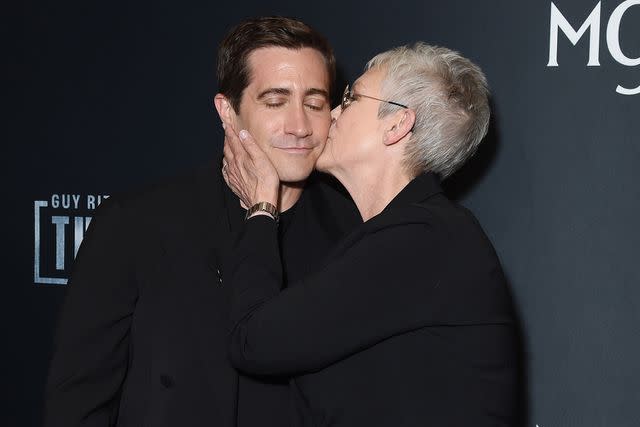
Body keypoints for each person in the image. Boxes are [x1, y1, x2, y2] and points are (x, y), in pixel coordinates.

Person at [44, 17, 360, 427]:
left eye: (315, 103)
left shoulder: (354, 231)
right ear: (228, 112)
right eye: (275, 101)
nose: (300, 126)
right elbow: (77, 401)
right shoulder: (136, 224)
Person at [222, 42, 518, 426]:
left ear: (397, 125)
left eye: (351, 98)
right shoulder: (414, 236)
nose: (331, 114)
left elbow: (253, 341)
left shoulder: (422, 240)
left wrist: (262, 205)